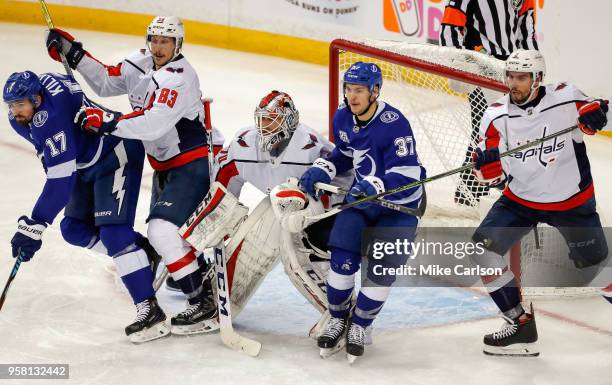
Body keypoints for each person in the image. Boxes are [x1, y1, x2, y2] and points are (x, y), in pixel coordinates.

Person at [45, 16, 223, 335]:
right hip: (166, 165)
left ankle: (203, 300)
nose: (158, 47)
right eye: (154, 39)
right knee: (162, 233)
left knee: (162, 232)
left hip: (193, 162)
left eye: (165, 41)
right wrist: (73, 53)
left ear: (178, 44)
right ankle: (193, 275)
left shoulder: (179, 78)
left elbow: (155, 123)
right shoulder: (140, 62)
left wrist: (110, 122)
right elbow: (106, 81)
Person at [3, 70, 166, 343]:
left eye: (21, 104)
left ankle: (150, 310)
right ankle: (143, 253)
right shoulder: (34, 103)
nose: (15, 111)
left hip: (116, 153)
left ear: (37, 98)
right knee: (73, 229)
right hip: (85, 161)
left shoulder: (50, 120)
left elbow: (60, 182)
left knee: (113, 234)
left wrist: (36, 224)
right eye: (11, 105)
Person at [470, 49, 610, 356]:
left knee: (598, 272)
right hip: (521, 200)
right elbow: (486, 170)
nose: (514, 84)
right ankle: (519, 323)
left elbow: (600, 113)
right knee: (481, 251)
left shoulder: (565, 97)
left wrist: (596, 115)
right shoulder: (495, 116)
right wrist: (488, 171)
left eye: (522, 77)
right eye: (510, 76)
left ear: (538, 79)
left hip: (570, 201)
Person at [179, 90, 351, 324]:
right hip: (281, 205)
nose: (264, 127)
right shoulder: (245, 144)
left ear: (289, 121)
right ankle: (221, 304)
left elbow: (340, 182)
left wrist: (315, 217)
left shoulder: (310, 147)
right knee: (253, 246)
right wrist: (221, 218)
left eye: (271, 120)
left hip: (319, 215)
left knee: (299, 261)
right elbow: (226, 180)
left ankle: (342, 316)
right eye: (261, 119)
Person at [299, 62, 426, 363]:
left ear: (375, 91)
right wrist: (324, 167)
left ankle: (360, 325)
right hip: (363, 201)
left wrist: (378, 184)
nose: (352, 96)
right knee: (341, 260)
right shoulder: (343, 116)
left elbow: (408, 176)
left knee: (381, 272)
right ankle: (338, 318)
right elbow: (345, 153)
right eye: (348, 89)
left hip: (400, 206)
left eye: (358, 90)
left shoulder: (395, 124)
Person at [440, 0, 539, 205]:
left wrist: (533, 65)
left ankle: (482, 188)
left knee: (513, 128)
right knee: (487, 129)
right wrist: (457, 63)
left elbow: (526, 29)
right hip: (480, 66)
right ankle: (471, 192)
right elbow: (450, 25)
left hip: (510, 69)